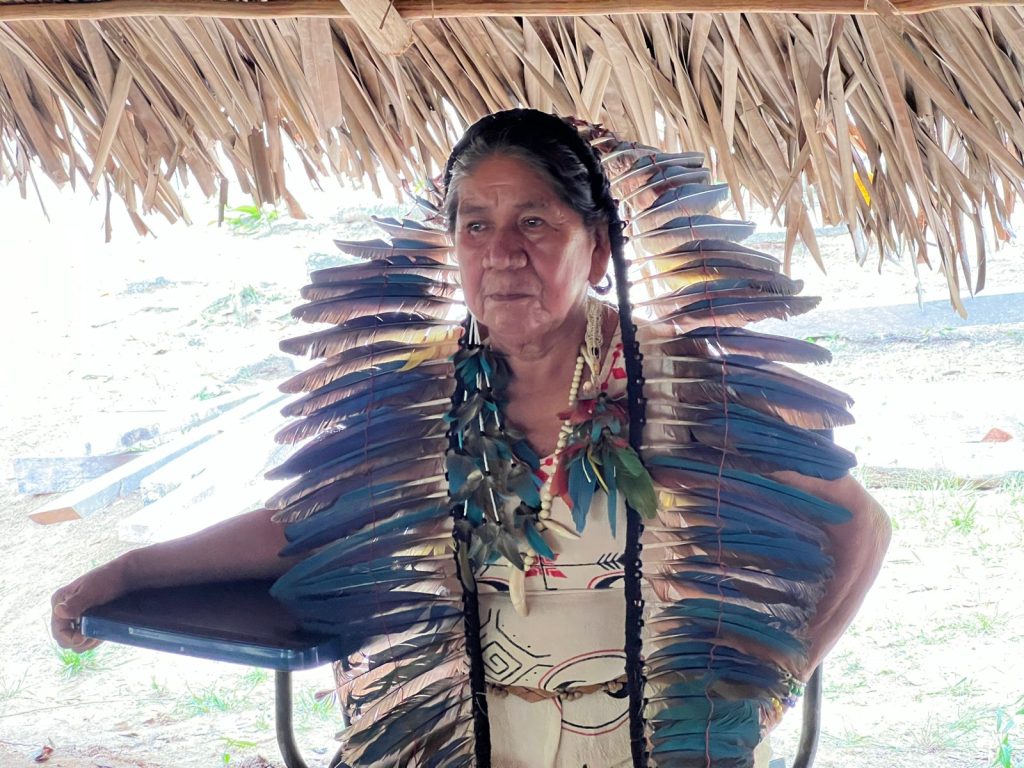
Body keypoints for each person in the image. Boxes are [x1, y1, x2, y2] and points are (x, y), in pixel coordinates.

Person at [52, 109, 891, 768]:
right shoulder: (418, 392)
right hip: (462, 744)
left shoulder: (682, 384)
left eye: (536, 223)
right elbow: (307, 527)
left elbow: (861, 526)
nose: (503, 254)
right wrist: (132, 571)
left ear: (597, 249)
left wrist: (778, 684)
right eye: (476, 226)